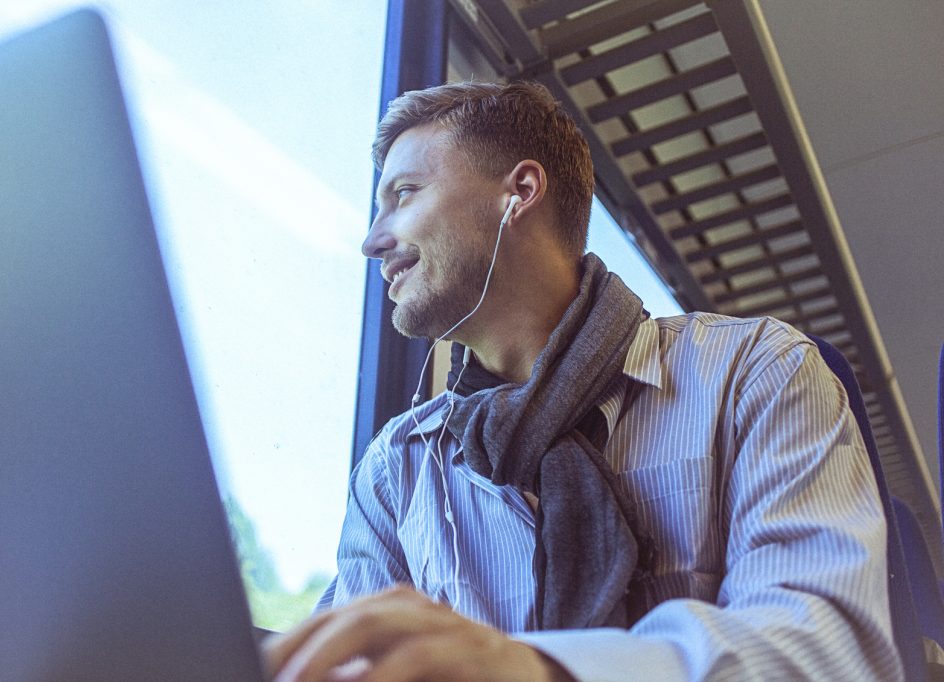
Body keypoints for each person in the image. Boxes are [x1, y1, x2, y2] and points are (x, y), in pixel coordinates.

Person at [264, 81, 902, 681]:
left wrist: (544, 671)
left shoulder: (758, 372)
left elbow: (829, 649)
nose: (373, 241)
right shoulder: (396, 471)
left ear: (520, 191)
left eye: (402, 195)